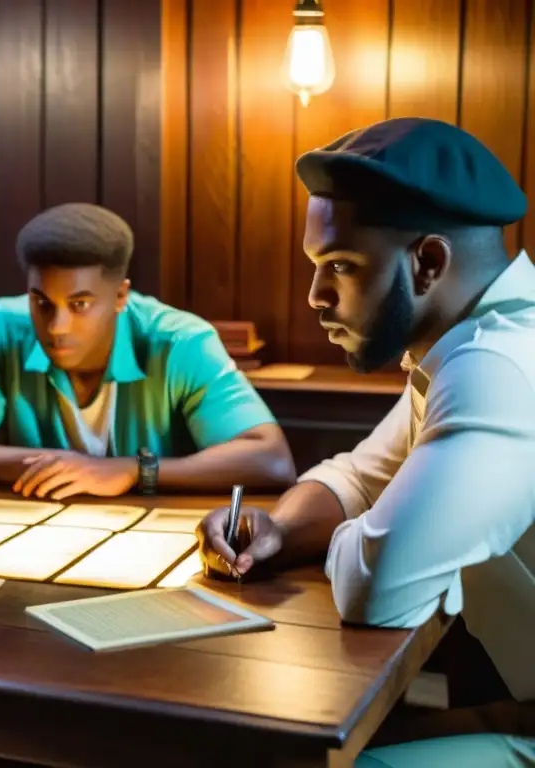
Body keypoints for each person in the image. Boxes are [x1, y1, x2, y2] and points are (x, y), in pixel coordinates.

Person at [196, 118, 534, 765]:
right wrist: (276, 527)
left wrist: (374, 531)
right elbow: (357, 476)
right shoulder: (462, 345)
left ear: (428, 262)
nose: (315, 296)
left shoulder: (497, 367)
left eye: (341, 267)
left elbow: (374, 590)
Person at [0, 202, 295, 499]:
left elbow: (270, 460)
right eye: (42, 303)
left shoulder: (181, 341)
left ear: (120, 296)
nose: (57, 326)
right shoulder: (3, 327)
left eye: (80, 304)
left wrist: (132, 470)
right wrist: (53, 464)